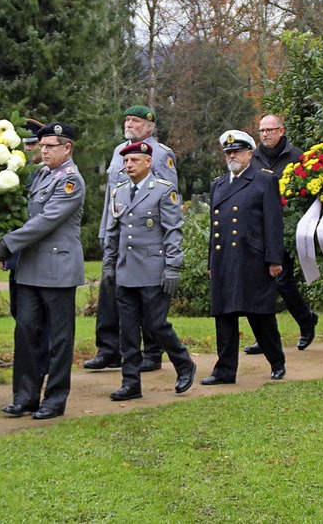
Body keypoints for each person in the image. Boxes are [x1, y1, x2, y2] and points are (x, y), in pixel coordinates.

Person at [0, 121, 85, 420]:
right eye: (41, 146)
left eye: (50, 146)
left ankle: (54, 400)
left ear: (67, 148)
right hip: (30, 269)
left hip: (57, 268)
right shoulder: (42, 175)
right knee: (26, 332)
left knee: (59, 338)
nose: (43, 150)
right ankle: (25, 397)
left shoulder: (71, 180)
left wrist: (7, 244)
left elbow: (46, 221)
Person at [85, 105, 177, 373]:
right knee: (111, 292)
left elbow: (169, 197)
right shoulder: (119, 152)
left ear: (150, 126)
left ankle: (152, 352)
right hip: (117, 233)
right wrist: (106, 232)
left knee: (147, 297)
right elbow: (112, 196)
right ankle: (109, 350)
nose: (130, 125)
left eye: (136, 121)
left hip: (147, 240)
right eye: (127, 120)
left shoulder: (161, 155)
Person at [102, 141, 196, 400]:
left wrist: (173, 266)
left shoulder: (163, 191)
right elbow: (113, 231)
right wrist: (109, 263)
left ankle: (183, 363)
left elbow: (172, 231)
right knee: (128, 330)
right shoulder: (119, 191)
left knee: (156, 324)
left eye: (134, 161)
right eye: (126, 161)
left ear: (147, 162)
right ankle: (130, 383)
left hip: (154, 269)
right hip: (126, 270)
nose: (128, 165)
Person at [201, 129, 287, 385]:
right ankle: (224, 371)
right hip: (224, 258)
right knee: (224, 316)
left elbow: (274, 223)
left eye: (237, 151)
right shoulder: (218, 184)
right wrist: (211, 263)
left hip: (253, 259)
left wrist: (274, 259)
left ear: (250, 153)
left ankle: (277, 360)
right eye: (228, 152)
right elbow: (214, 228)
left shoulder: (263, 181)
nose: (232, 156)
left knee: (260, 315)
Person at [243, 114, 318, 354]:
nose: (265, 134)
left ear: (281, 131)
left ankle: (305, 322)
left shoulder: (297, 157)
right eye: (262, 130)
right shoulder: (252, 157)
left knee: (283, 281)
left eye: (270, 130)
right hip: (257, 227)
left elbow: (309, 189)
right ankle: (265, 338)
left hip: (288, 227)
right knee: (259, 284)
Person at [1, 118, 50, 378]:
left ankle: (41, 369)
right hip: (19, 257)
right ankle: (33, 369)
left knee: (39, 321)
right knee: (19, 315)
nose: (29, 149)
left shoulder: (51, 176)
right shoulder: (14, 175)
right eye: (25, 144)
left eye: (33, 144)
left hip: (43, 258)